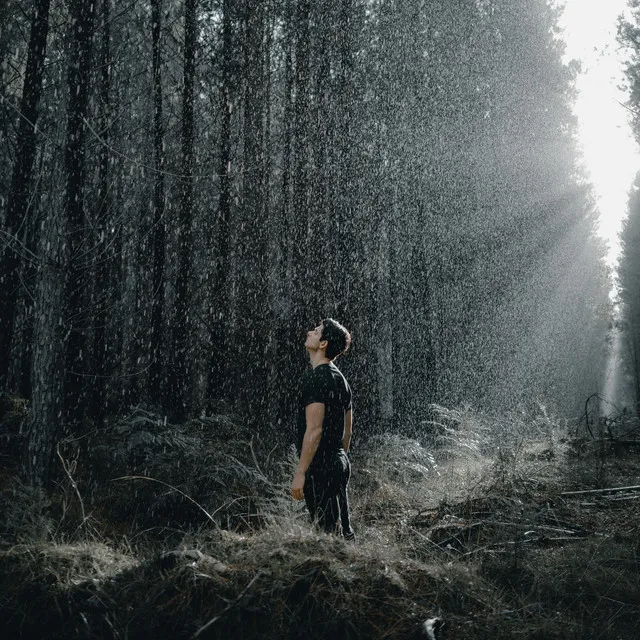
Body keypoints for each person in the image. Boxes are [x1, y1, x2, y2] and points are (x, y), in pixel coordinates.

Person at [291, 318, 355, 540]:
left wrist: (300, 473)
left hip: (322, 466)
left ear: (323, 343)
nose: (310, 332)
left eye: (316, 332)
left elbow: (314, 430)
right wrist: (339, 460)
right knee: (343, 533)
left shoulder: (316, 378)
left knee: (327, 537)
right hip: (339, 462)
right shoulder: (341, 379)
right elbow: (347, 432)